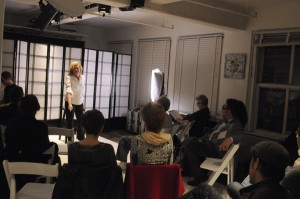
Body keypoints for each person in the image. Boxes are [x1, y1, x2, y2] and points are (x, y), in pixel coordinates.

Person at [53, 109, 124, 199]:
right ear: (102, 128)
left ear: (83, 127)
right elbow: (112, 179)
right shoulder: (108, 149)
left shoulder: (73, 149)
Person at [182, 98, 248, 186]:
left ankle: (199, 176)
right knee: (189, 140)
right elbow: (211, 132)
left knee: (191, 145)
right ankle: (188, 170)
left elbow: (243, 137)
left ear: (231, 111)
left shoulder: (236, 124)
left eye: (225, 107)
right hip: (208, 144)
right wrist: (201, 139)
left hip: (217, 149)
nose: (222, 109)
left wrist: (230, 139)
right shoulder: (222, 121)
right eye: (223, 107)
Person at [4, 95, 60, 189]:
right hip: (35, 166)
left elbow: (8, 142)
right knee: (54, 148)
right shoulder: (41, 127)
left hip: (14, 163)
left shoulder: (11, 124)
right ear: (37, 108)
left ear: (21, 108)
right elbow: (44, 146)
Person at [116, 96, 173, 168]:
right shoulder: (169, 119)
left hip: (147, 140)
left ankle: (122, 163)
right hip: (162, 142)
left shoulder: (154, 115)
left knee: (124, 140)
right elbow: (170, 165)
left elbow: (134, 166)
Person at [65, 61, 85, 141]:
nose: (77, 69)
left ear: (80, 69)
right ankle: (70, 140)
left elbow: (82, 90)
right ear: (72, 70)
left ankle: (81, 139)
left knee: (81, 122)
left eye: (78, 68)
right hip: (70, 101)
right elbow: (69, 90)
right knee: (70, 122)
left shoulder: (83, 77)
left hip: (79, 101)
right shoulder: (69, 77)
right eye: (75, 68)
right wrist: (69, 104)